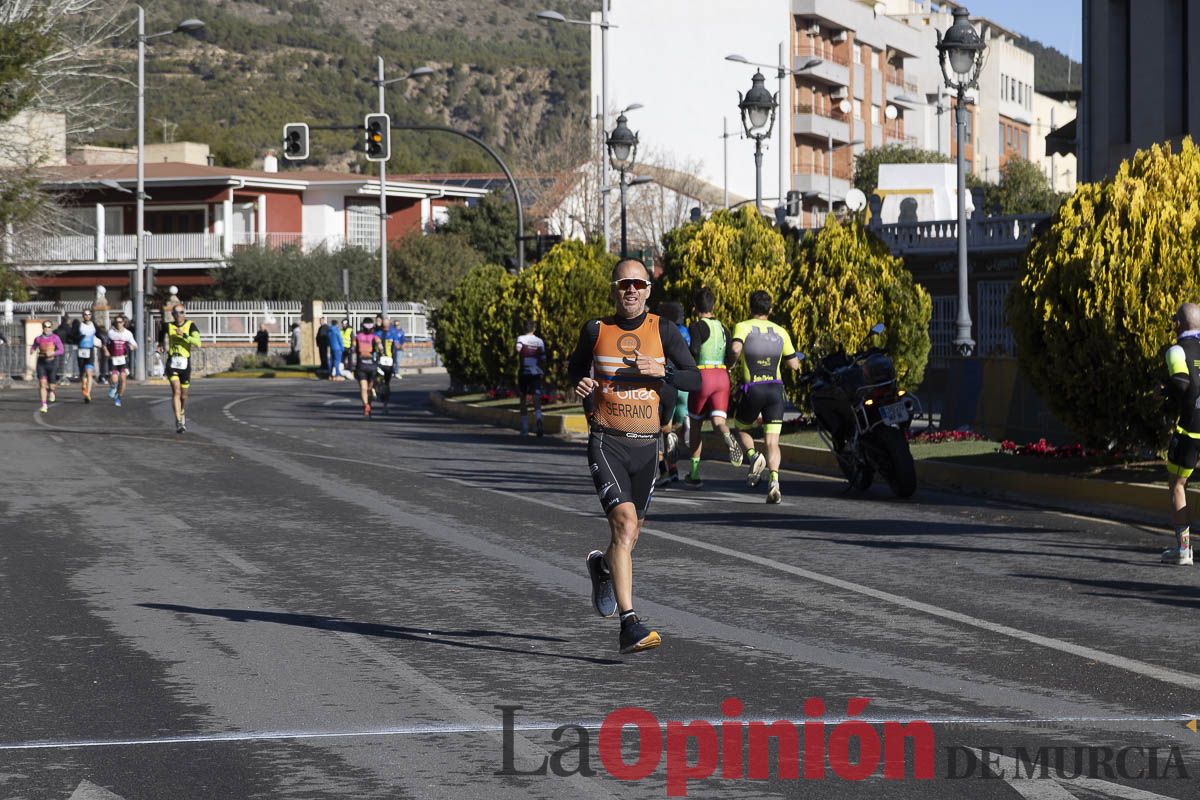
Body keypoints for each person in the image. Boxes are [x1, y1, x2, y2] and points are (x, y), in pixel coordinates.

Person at [569, 259, 701, 654]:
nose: (631, 290)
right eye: (624, 284)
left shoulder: (663, 330)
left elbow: (695, 377)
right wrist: (581, 385)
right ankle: (629, 625)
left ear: (647, 290)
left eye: (638, 284)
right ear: (614, 288)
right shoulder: (596, 330)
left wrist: (663, 370)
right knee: (624, 526)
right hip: (608, 442)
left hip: (648, 448)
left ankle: (604, 568)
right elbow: (574, 371)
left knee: (631, 535)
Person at [729, 291, 803, 504]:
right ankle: (774, 481)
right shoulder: (781, 331)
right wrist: (796, 360)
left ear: (750, 307)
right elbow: (794, 364)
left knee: (741, 427)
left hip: (754, 388)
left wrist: (732, 362)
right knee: (772, 441)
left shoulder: (743, 326)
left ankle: (753, 456)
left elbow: (735, 348)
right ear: (770, 310)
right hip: (775, 390)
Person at [685, 288, 743, 487]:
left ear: (695, 308)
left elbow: (694, 350)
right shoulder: (723, 327)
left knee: (696, 426)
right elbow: (731, 354)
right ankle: (728, 437)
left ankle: (694, 475)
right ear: (713, 306)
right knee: (719, 421)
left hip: (703, 375)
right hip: (722, 375)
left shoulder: (697, 326)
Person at [1162, 302, 1200, 565]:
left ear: (1178, 324)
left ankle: (1184, 550)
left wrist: (1162, 389)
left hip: (1191, 428)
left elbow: (1181, 382)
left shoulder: (1177, 350)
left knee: (1177, 484)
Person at [655, 301, 691, 486]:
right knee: (667, 429)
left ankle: (663, 472)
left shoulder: (657, 330)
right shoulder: (683, 332)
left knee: (653, 432)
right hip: (674, 384)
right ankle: (674, 469)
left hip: (658, 384)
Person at [159, 303, 202, 433]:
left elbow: (198, 343)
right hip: (172, 361)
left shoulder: (190, 325)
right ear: (172, 314)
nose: (179, 315)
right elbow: (161, 332)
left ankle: (182, 411)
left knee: (183, 396)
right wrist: (160, 344)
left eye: (181, 312)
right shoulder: (169, 326)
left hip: (185, 363)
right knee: (176, 391)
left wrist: (184, 335)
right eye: (176, 313)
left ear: (185, 313)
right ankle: (178, 421)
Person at [516, 318, 546, 436]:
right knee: (536, 397)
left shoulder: (521, 339)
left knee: (523, 398)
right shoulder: (539, 341)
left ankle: (524, 428)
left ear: (524, 328)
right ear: (534, 329)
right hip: (536, 372)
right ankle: (538, 419)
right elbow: (543, 358)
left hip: (524, 371)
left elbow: (518, 350)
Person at [103, 314, 137, 407]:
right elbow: (104, 344)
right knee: (114, 380)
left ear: (124, 323)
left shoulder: (128, 333)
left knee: (123, 379)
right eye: (117, 322)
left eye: (120, 322)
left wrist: (132, 347)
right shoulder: (110, 332)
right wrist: (106, 351)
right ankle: (113, 387)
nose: (118, 324)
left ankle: (119, 397)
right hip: (113, 359)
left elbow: (135, 345)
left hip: (123, 359)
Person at [30, 320, 64, 413]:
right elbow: (34, 345)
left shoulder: (55, 338)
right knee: (42, 384)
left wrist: (53, 353)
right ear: (43, 328)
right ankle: (44, 405)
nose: (47, 329)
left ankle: (52, 391)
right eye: (45, 327)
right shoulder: (38, 339)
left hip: (52, 363)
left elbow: (61, 350)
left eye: (49, 327)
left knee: (52, 385)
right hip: (41, 363)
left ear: (51, 328)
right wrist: (32, 350)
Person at [375, 316, 405, 413]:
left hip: (380, 361)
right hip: (389, 361)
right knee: (387, 383)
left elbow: (374, 345)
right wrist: (401, 347)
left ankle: (378, 389)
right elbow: (397, 345)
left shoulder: (377, 334)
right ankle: (385, 405)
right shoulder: (393, 333)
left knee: (378, 379)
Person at [353, 317, 379, 417]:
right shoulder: (374, 336)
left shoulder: (357, 336)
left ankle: (366, 405)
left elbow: (353, 347)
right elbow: (380, 346)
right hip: (372, 365)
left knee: (363, 388)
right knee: (370, 388)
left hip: (361, 365)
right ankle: (369, 404)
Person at [72, 308, 99, 403]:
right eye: (85, 314)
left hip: (90, 350)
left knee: (89, 373)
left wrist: (103, 342)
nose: (87, 316)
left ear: (91, 316)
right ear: (83, 316)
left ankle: (88, 393)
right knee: (82, 373)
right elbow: (73, 336)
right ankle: (83, 385)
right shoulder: (80, 325)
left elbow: (99, 334)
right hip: (81, 350)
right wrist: (80, 337)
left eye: (89, 314)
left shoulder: (94, 325)